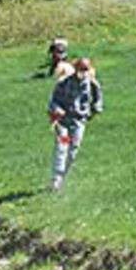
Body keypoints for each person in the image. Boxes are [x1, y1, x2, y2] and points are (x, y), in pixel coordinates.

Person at [47, 58, 103, 191]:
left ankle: (62, 176)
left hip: (78, 122)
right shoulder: (63, 83)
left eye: (85, 70)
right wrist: (56, 109)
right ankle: (56, 180)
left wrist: (95, 110)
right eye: (80, 69)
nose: (83, 73)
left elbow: (98, 99)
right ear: (75, 69)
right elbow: (52, 101)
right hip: (63, 122)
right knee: (62, 146)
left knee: (73, 149)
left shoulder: (92, 84)